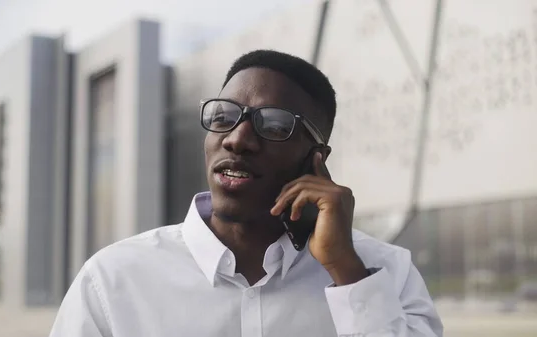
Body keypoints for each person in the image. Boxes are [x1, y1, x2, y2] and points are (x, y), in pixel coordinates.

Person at [49, 50, 443, 337]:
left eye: (273, 125)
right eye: (223, 116)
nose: (237, 140)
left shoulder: (386, 273)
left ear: (317, 159)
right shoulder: (112, 280)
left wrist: (346, 271)